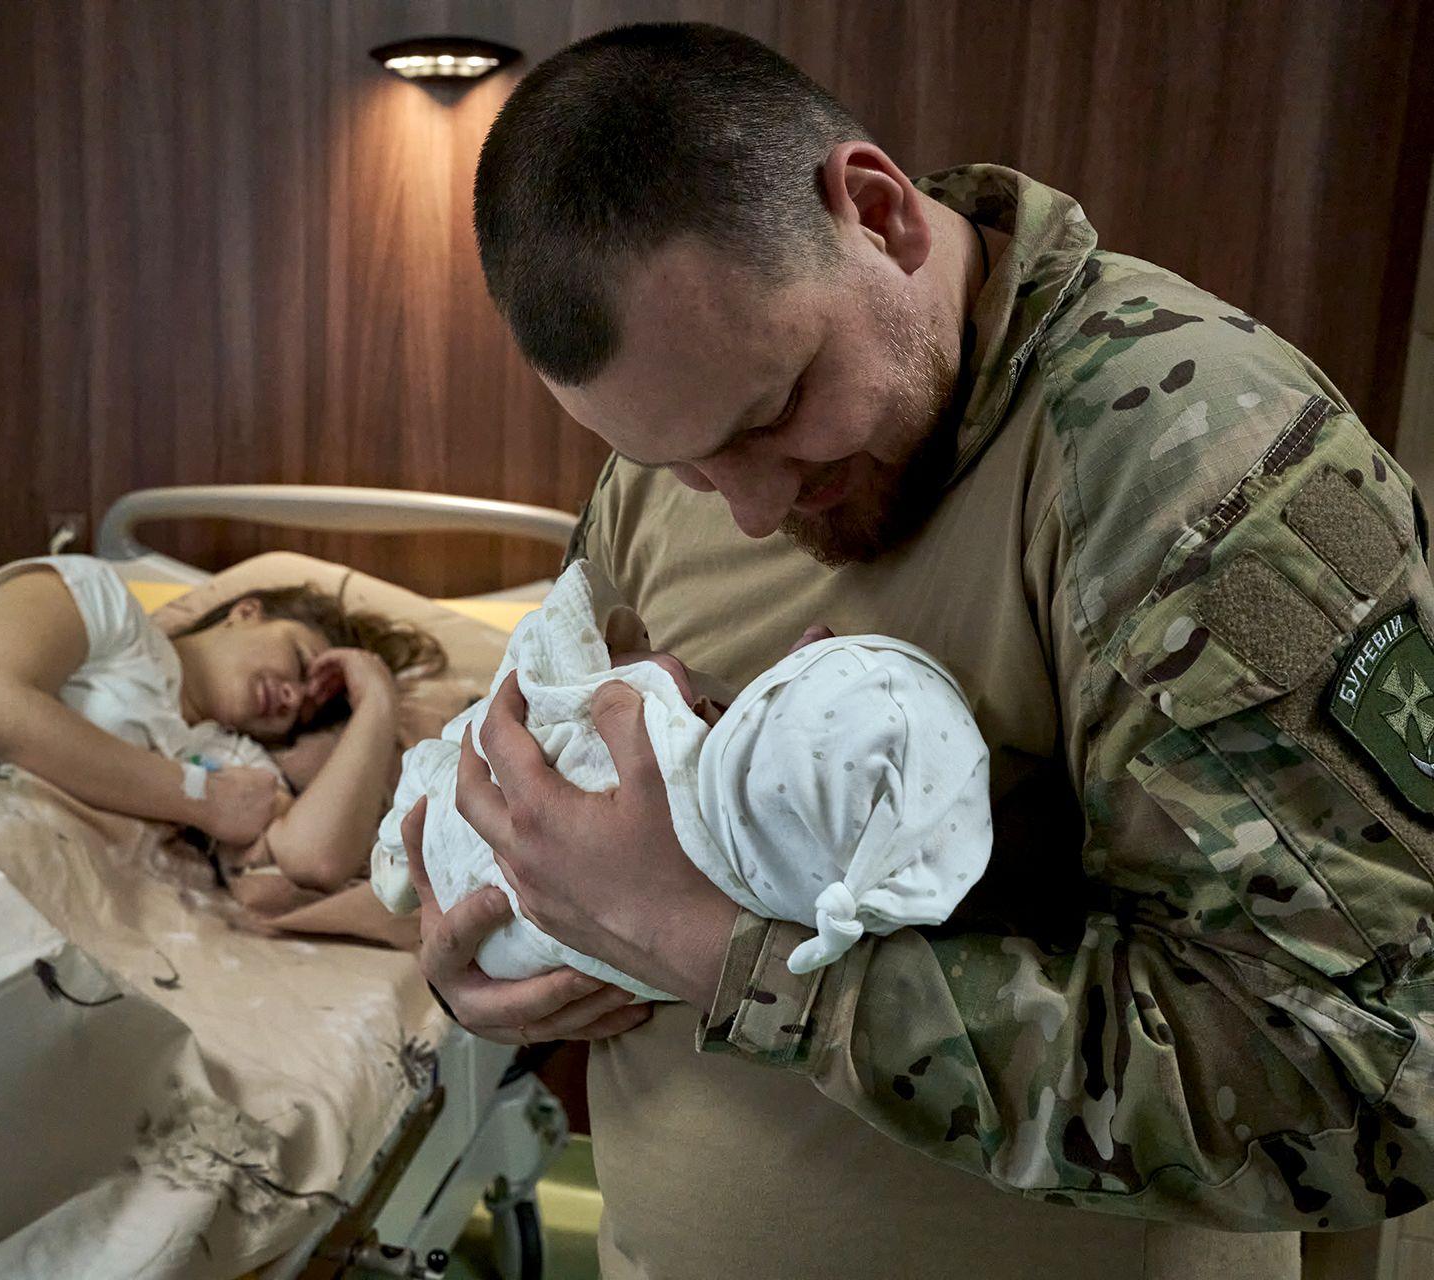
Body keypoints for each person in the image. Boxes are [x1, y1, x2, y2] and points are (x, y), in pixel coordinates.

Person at [400, 21, 1434, 1278]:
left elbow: (1367, 1073)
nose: (752, 510)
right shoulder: (674, 450)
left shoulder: (1196, 474)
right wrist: (491, 959)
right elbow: (564, 812)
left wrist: (729, 955)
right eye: (681, 460)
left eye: (777, 413)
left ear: (878, 213)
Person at [372, 558, 992, 997]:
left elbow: (556, 667)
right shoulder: (627, 487)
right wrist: (453, 982)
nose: (812, 635)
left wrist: (673, 935)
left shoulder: (678, 748)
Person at [0, 554, 442, 890]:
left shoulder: (231, 759)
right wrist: (199, 797)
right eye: (300, 663)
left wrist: (377, 704)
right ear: (246, 612)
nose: (292, 696)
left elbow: (316, 862)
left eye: (305, 709)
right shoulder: (103, 606)